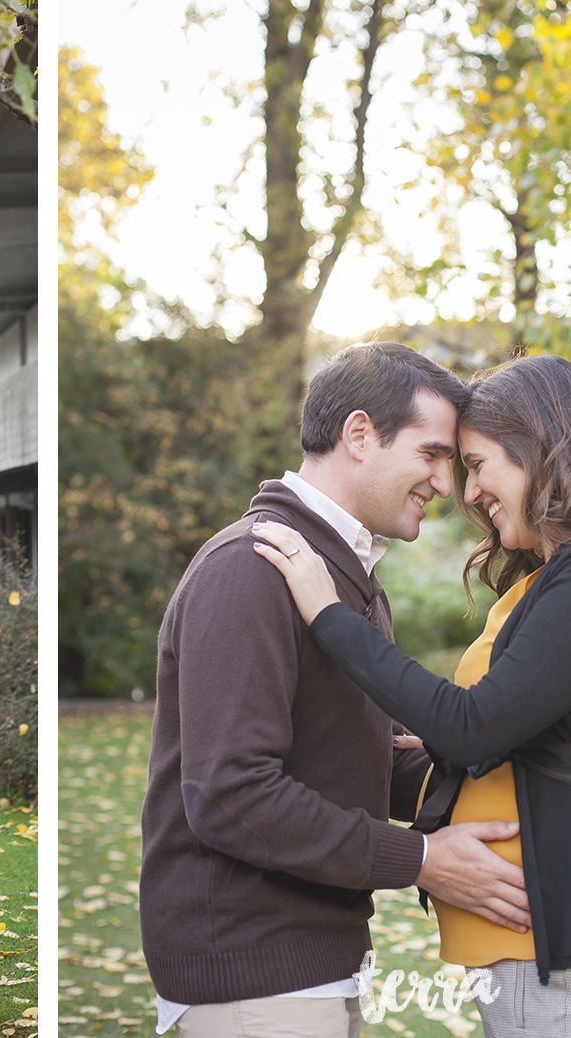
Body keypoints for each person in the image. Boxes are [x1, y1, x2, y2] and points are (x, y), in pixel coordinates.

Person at [253, 353, 571, 1034]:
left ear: (540, 448)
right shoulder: (557, 577)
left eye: (477, 462)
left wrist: (330, 615)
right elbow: (513, 730)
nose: (465, 491)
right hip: (538, 941)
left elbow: (474, 727)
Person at [140, 341, 533, 1038]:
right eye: (433, 454)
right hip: (251, 970)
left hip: (312, 963)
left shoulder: (338, 579)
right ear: (359, 435)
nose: (447, 485)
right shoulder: (255, 567)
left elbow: (353, 756)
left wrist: (531, 787)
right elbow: (231, 793)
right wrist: (422, 860)